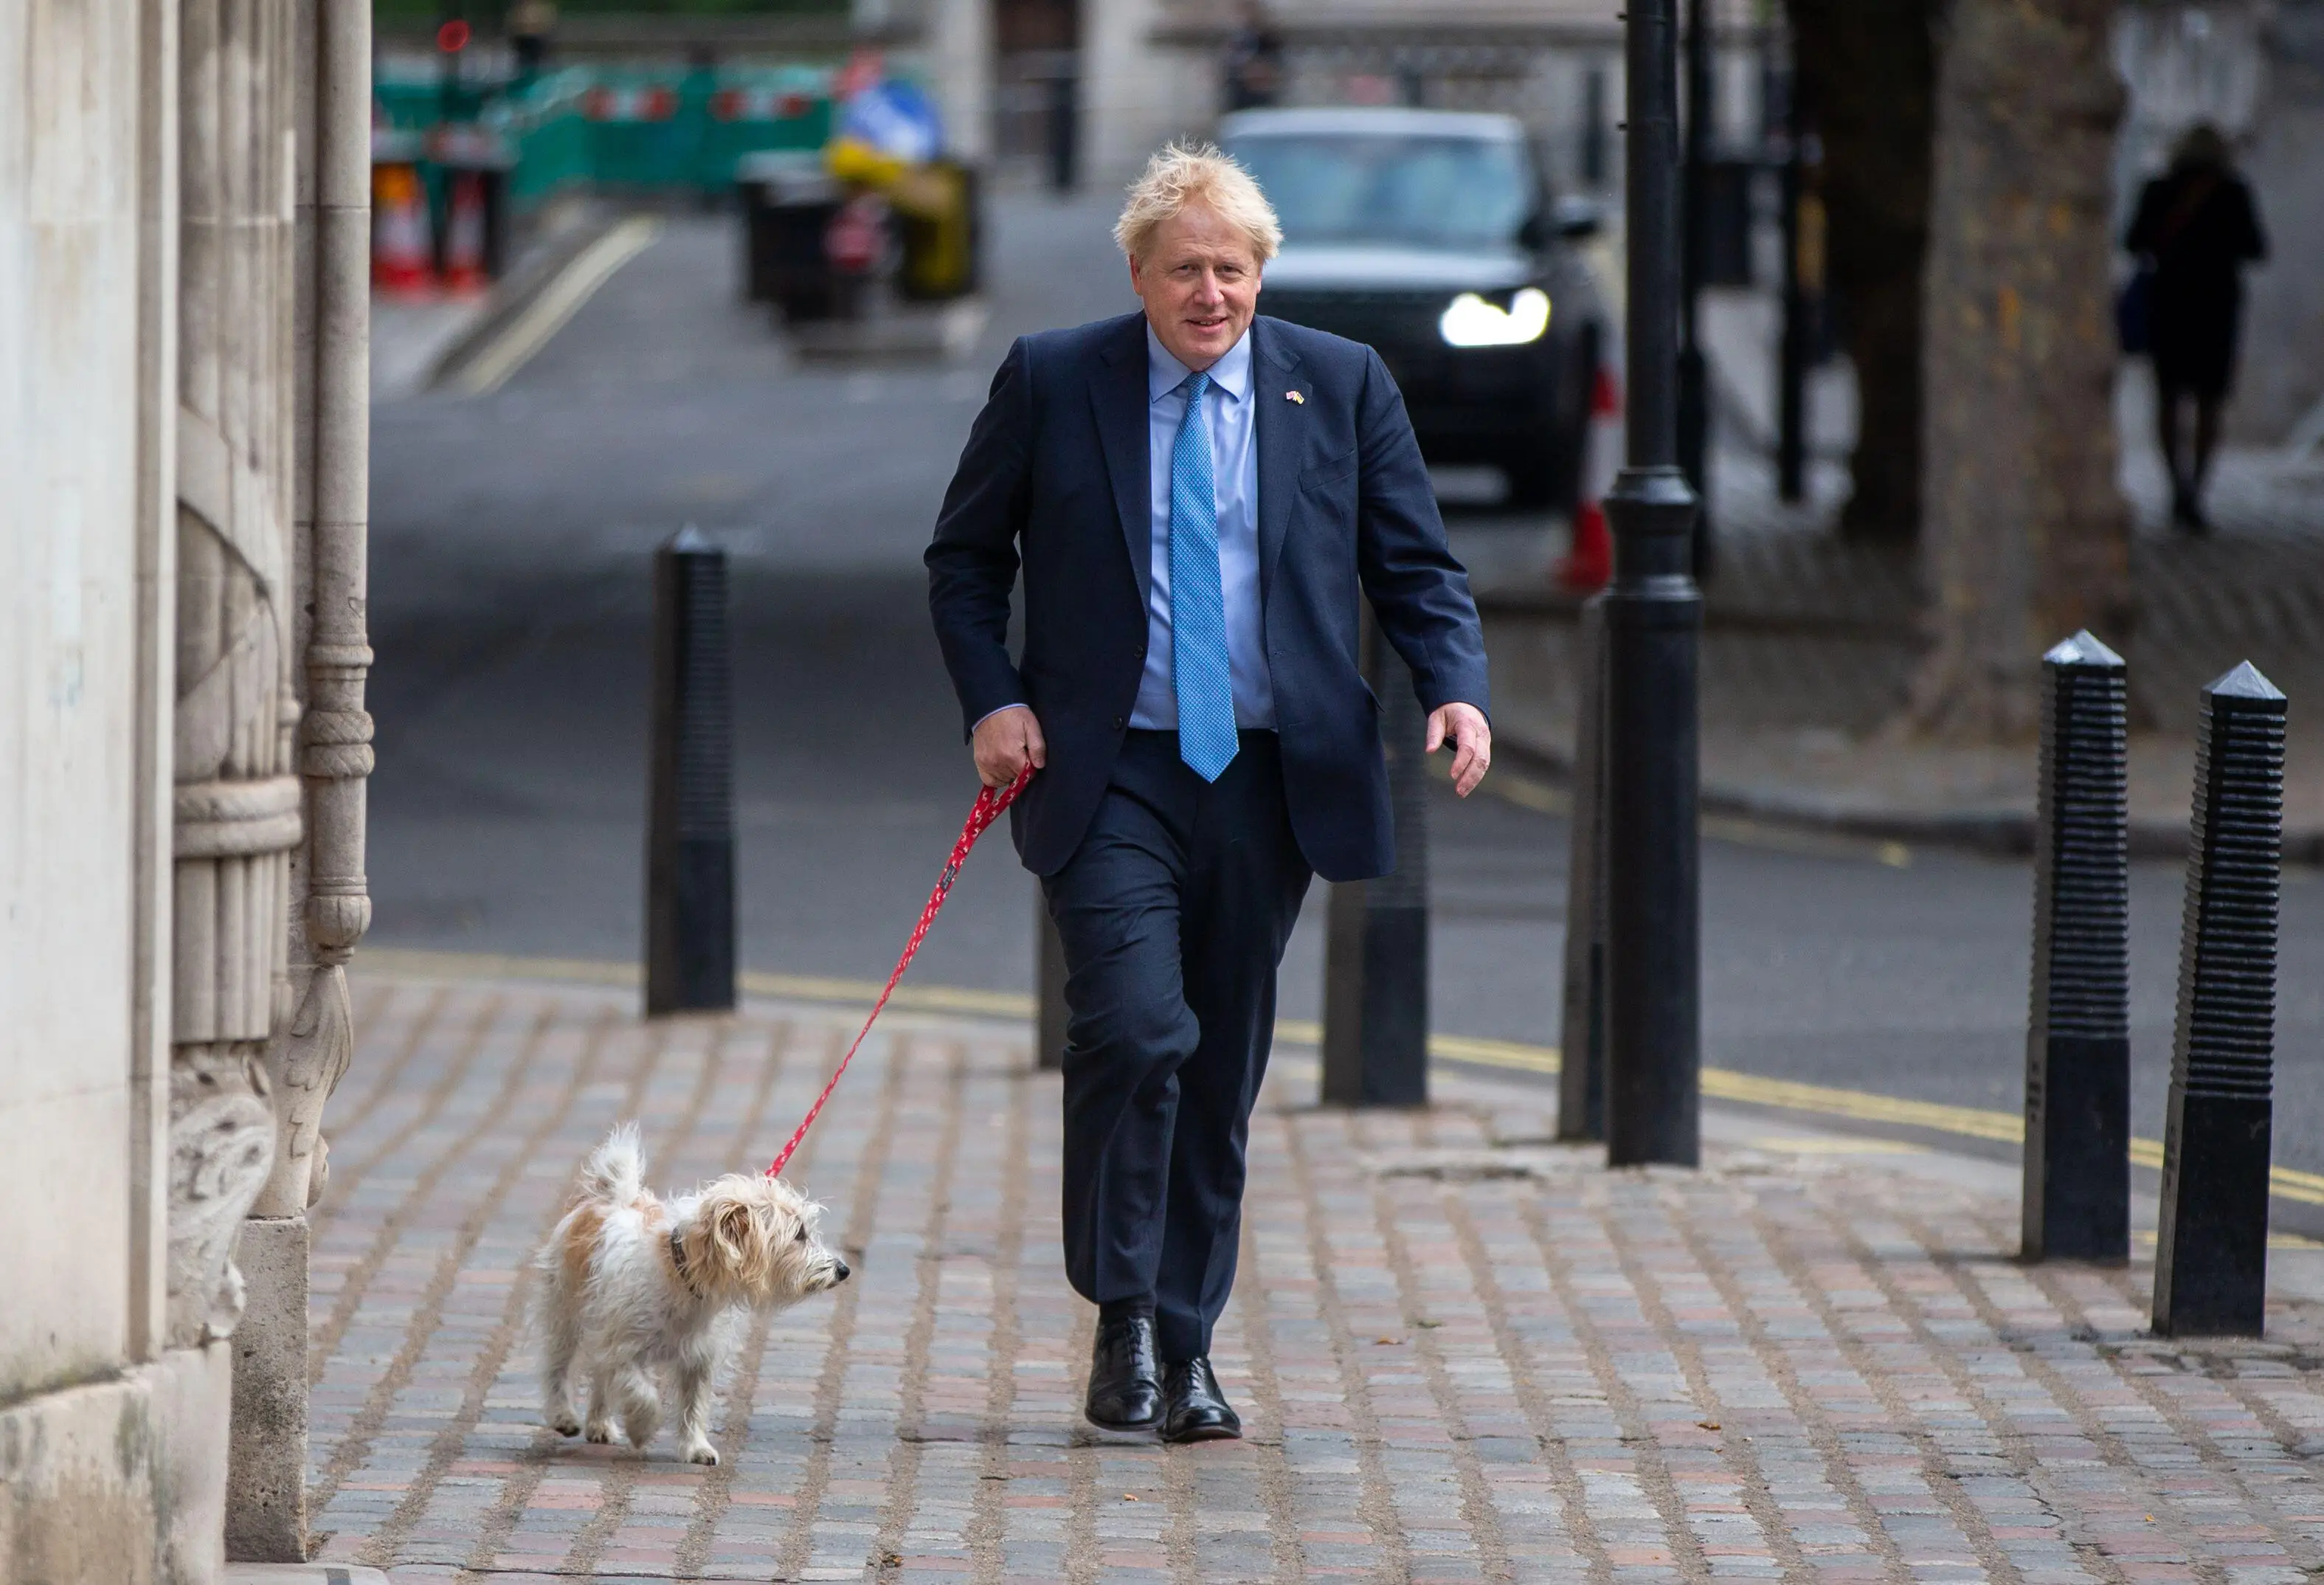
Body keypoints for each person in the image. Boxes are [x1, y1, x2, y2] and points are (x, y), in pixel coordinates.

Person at [925, 144, 1490, 1443]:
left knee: (1221, 1061)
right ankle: (1121, 1309)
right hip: (1108, 765)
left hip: (1266, 774)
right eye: (1184, 269)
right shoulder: (1056, 380)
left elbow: (1415, 563)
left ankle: (1185, 1347)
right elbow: (961, 559)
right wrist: (993, 697)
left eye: (1232, 269)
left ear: (1262, 274)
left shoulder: (1338, 385)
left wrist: (1453, 684)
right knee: (1138, 1028)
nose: (1211, 293)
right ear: (1138, 275)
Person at [2124, 122, 2267, 535]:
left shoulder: (2159, 189)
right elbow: (2256, 248)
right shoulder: (2231, 193)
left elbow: (2134, 242)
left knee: (2169, 399)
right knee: (2208, 403)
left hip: (2169, 309)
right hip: (2215, 311)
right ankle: (2195, 490)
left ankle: (2178, 487)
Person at [1221, 0, 1287, 113]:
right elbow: (1230, 65)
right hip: (1241, 97)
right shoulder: (1239, 39)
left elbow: (1278, 66)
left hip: (1264, 99)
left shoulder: (1270, 40)